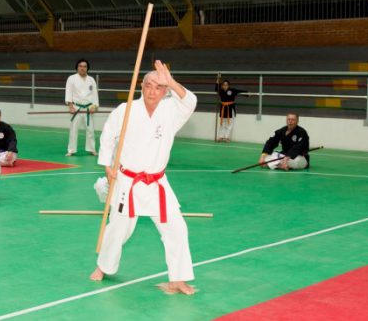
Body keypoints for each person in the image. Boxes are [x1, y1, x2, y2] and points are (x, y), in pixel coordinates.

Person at [90, 60, 197, 295]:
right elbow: (108, 135)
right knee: (118, 228)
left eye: (158, 87)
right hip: (128, 181)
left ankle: (178, 278)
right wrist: (107, 165)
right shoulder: (126, 109)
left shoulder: (172, 111)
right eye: (149, 85)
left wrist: (170, 80)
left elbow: (191, 101)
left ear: (165, 91)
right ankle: (103, 267)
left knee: (177, 228)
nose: (152, 90)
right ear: (142, 85)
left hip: (157, 183)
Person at [65, 58, 99, 156]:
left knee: (90, 130)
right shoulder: (71, 78)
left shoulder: (91, 80)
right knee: (73, 130)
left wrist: (94, 106)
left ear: (87, 68)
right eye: (80, 66)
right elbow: (68, 92)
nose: (82, 68)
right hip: (76, 108)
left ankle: (92, 149)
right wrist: (70, 106)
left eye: (84, 66)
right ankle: (71, 150)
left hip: (88, 108)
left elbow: (94, 94)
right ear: (77, 68)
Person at [215, 74, 247, 142]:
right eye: (224, 84)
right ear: (222, 85)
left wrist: (248, 94)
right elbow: (216, 87)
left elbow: (240, 91)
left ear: (229, 85)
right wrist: (218, 78)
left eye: (226, 85)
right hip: (223, 107)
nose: (225, 86)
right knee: (222, 123)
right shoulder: (220, 90)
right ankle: (221, 137)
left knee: (229, 123)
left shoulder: (232, 90)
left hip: (230, 107)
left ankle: (227, 137)